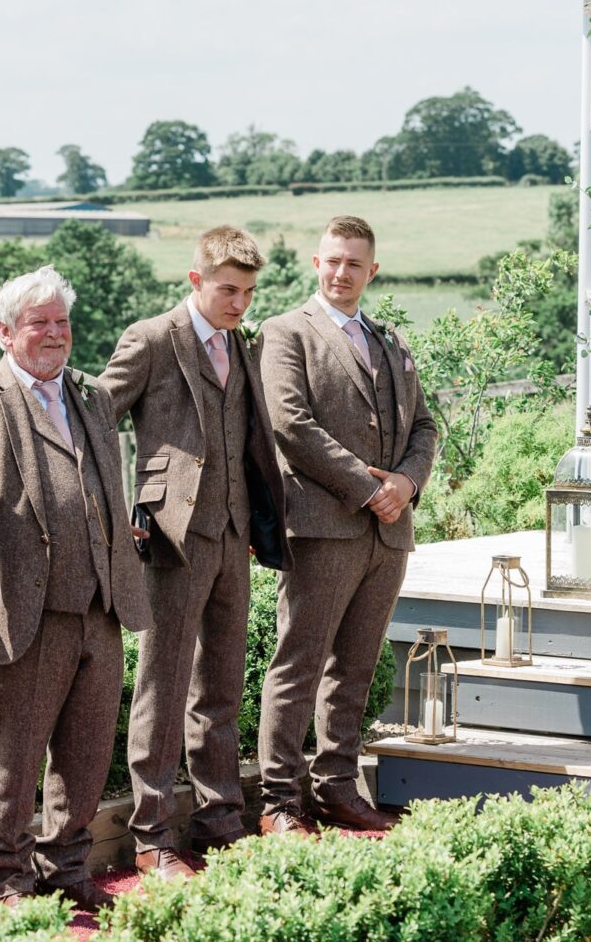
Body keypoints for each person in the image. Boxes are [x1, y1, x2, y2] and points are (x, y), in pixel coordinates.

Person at [100, 225, 289, 878]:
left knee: (220, 689)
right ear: (195, 281)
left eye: (248, 292)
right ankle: (152, 837)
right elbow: (96, 421)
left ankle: (220, 822)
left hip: (235, 535)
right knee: (162, 684)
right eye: (228, 290)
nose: (239, 303)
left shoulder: (245, 345)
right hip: (171, 539)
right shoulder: (152, 340)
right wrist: (122, 511)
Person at [0, 266, 151, 912]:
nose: (54, 334)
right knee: (12, 757)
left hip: (102, 603)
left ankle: (67, 868)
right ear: (5, 331)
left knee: (87, 752)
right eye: (39, 322)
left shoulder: (92, 395)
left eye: (61, 322)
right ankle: (9, 879)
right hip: (25, 607)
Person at [255, 215, 436, 834]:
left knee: (355, 666)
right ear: (315, 262)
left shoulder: (391, 341)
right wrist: (369, 488)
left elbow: (425, 427)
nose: (341, 273)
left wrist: (406, 484)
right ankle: (279, 798)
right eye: (333, 260)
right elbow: (290, 423)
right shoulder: (286, 334)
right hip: (322, 526)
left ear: (372, 271)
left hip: (388, 533)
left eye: (354, 264)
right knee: (299, 662)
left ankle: (337, 786)